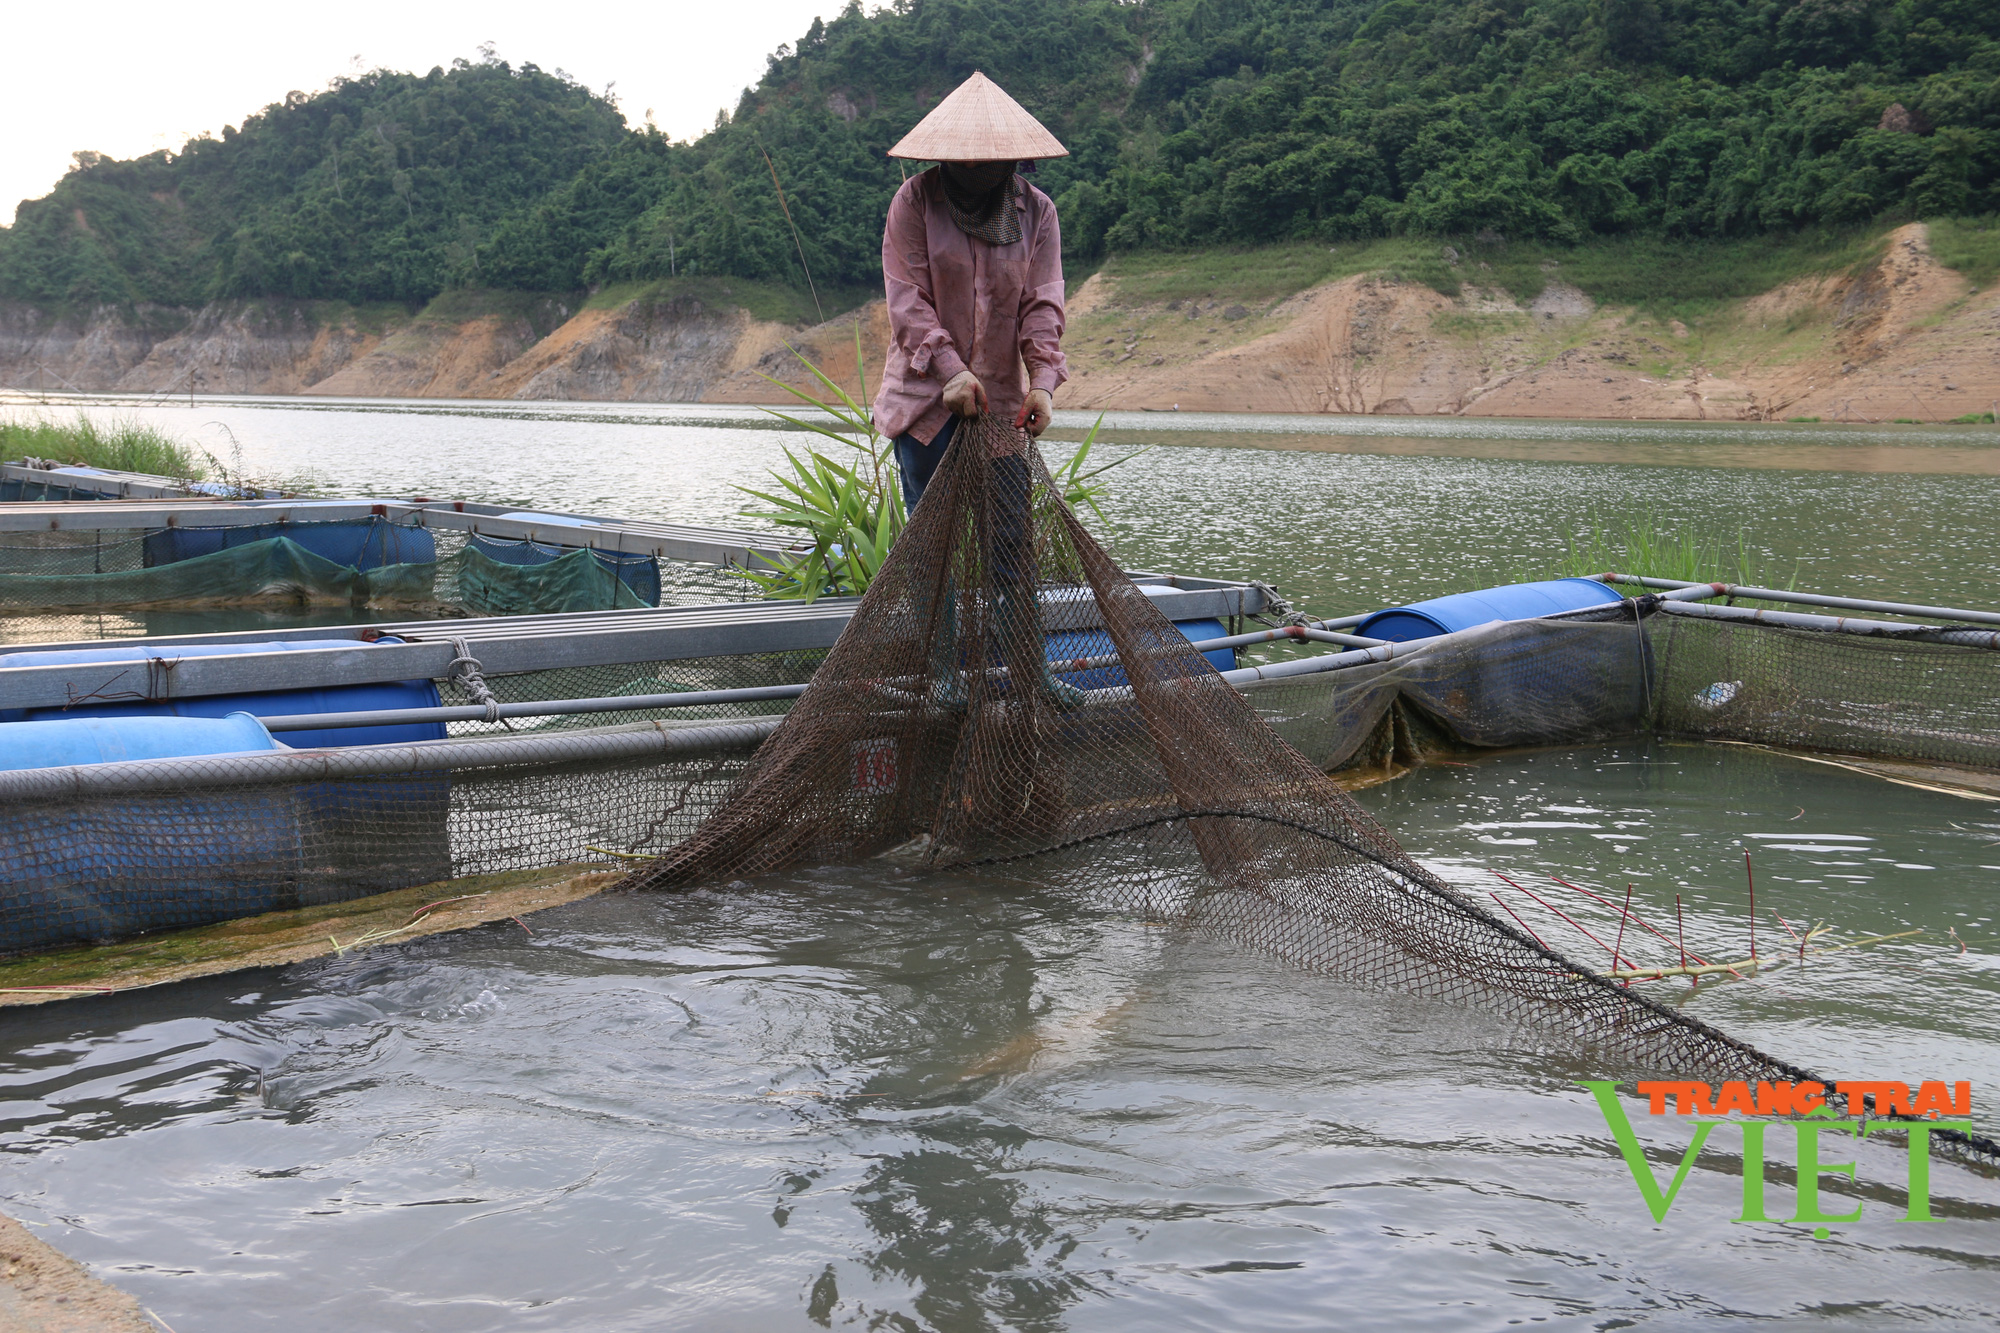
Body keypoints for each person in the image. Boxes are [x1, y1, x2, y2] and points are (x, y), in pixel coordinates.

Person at [872, 71, 1070, 516]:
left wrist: (1043, 384)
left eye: (984, 162)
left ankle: (1000, 591)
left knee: (1008, 537)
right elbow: (907, 302)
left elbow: (1042, 305)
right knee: (930, 540)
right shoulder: (916, 200)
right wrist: (951, 371)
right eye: (962, 161)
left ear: (1009, 158)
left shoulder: (1037, 212)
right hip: (926, 404)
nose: (972, 170)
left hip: (1000, 407)